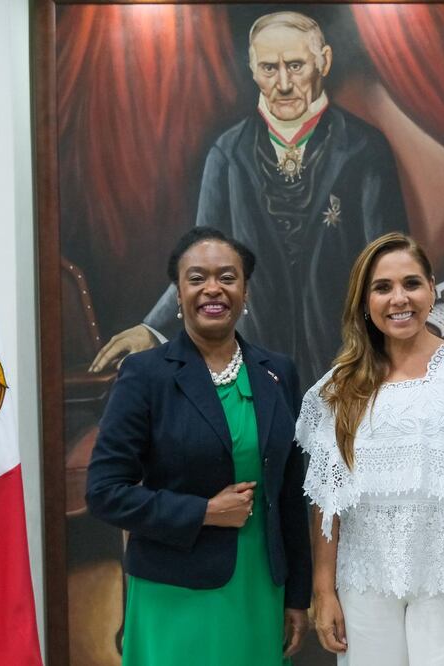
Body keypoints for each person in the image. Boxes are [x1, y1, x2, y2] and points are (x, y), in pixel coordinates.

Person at [90, 10, 409, 385]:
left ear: (323, 61)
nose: (284, 83)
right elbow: (201, 259)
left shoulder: (364, 148)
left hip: (343, 358)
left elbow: (388, 264)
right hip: (252, 360)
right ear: (253, 70)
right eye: (269, 68)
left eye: (295, 65)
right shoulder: (226, 154)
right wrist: (153, 328)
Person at [297, 233, 444, 665]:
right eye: (382, 287)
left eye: (411, 283)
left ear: (432, 288)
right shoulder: (337, 390)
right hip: (364, 578)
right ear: (364, 301)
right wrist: (323, 588)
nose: (398, 298)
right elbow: (326, 502)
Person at [86, 227, 311, 665]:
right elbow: (104, 492)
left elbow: (289, 493)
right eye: (197, 278)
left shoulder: (277, 372)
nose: (213, 289)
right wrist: (204, 512)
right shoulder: (145, 375)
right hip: (175, 586)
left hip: (259, 588)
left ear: (245, 290)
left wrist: (296, 596)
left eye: (228, 277)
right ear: (178, 294)